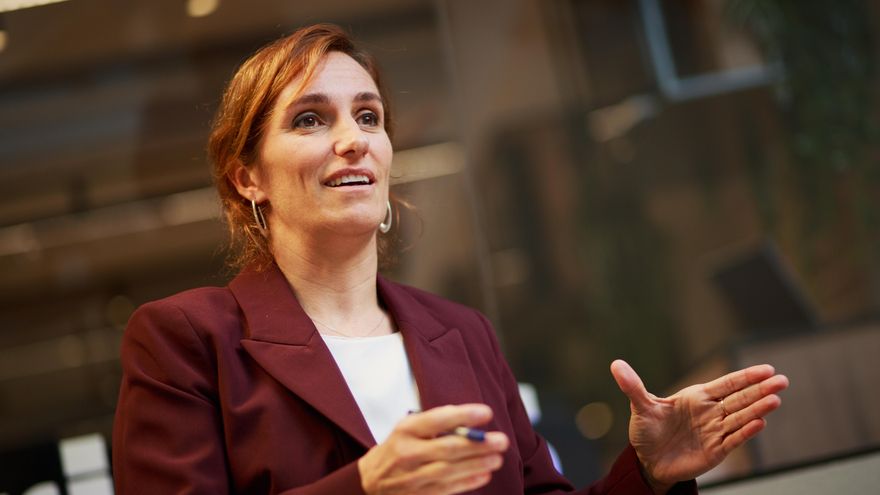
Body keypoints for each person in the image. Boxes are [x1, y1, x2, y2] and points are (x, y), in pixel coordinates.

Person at [111, 23, 789, 495]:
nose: (353, 140)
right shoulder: (188, 341)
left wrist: (646, 471)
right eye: (311, 119)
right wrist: (368, 485)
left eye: (369, 116)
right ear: (246, 177)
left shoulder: (462, 333)